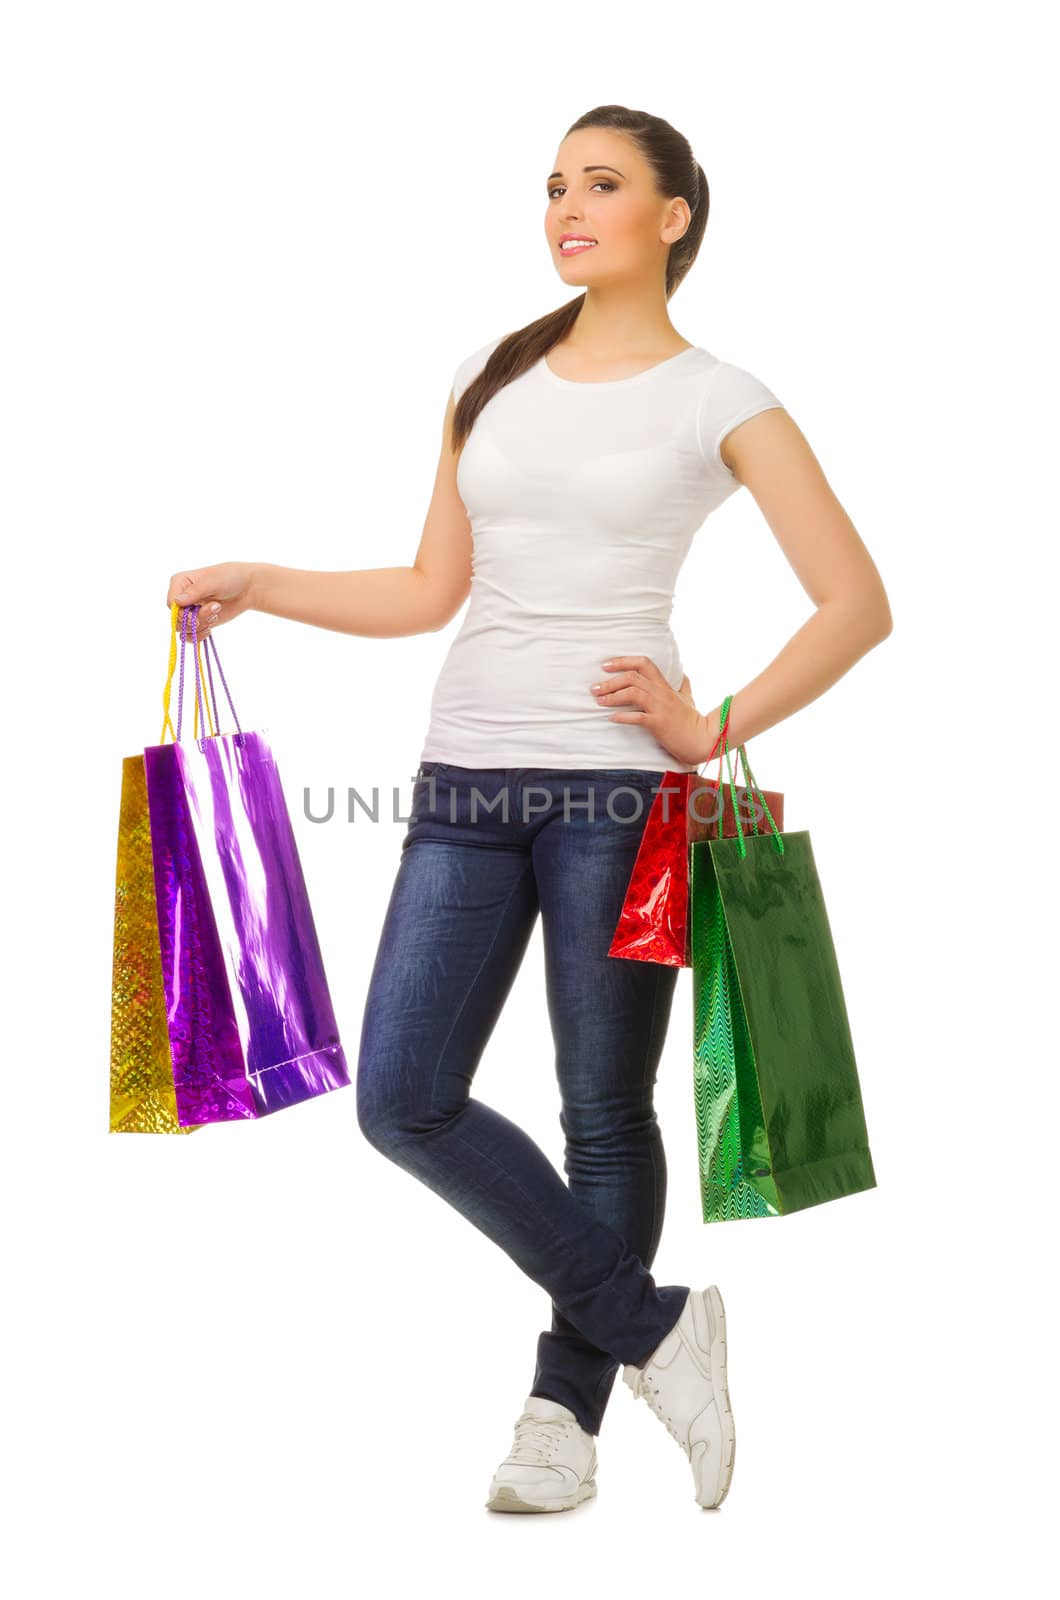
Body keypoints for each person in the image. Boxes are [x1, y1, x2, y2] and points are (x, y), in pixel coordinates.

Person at [165, 103, 892, 1516]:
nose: (568, 205)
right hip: (462, 777)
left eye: (603, 184)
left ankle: (561, 1422)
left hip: (618, 790)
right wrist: (265, 579)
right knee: (401, 1096)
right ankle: (657, 1327)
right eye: (555, 184)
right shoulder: (491, 373)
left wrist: (709, 725)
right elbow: (431, 590)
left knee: (601, 1114)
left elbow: (857, 603)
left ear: (673, 216)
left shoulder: (717, 395)